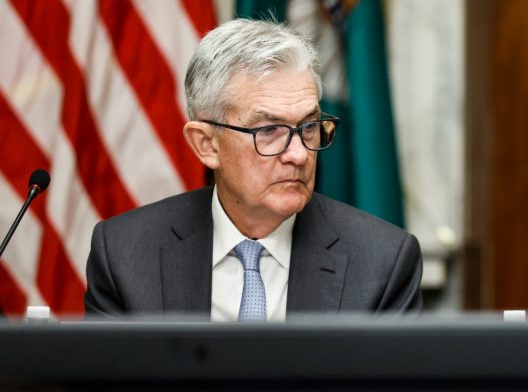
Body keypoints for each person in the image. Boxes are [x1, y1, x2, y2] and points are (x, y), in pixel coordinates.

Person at [84, 19, 422, 319]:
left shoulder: (383, 263)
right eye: (269, 130)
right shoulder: (125, 256)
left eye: (309, 127)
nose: (299, 155)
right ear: (207, 144)